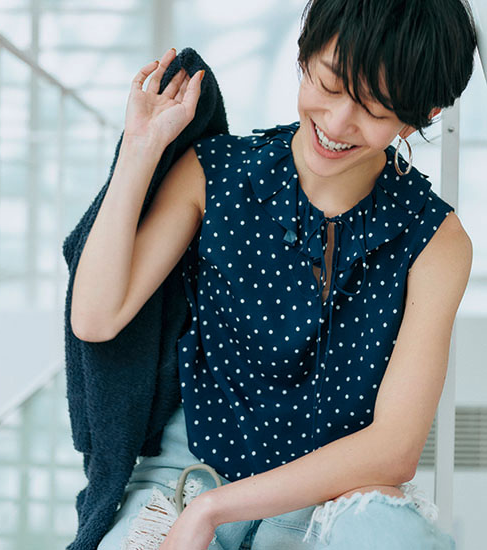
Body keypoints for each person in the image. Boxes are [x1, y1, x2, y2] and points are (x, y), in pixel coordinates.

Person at [71, 0, 478, 548]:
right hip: (185, 478)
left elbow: (394, 449)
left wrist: (211, 513)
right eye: (329, 85)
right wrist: (141, 149)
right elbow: (97, 318)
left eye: (375, 110)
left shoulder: (437, 240)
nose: (337, 124)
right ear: (304, 52)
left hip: (333, 497)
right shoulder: (214, 171)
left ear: (422, 114)